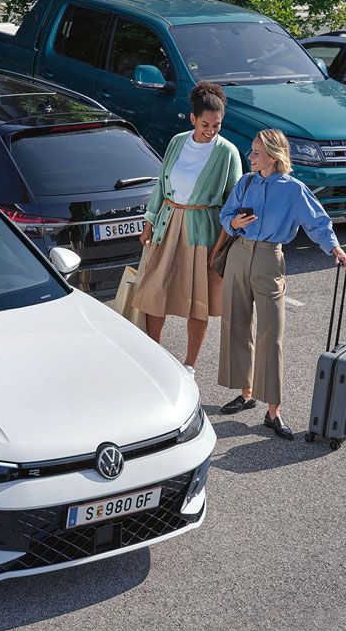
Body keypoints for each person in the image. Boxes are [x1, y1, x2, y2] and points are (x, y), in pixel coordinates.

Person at [218, 129, 346, 440]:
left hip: (268, 258)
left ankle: (273, 409)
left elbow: (318, 221)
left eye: (256, 153)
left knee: (271, 333)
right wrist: (234, 222)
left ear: (274, 157)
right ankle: (246, 392)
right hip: (239, 253)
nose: (250, 157)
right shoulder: (246, 181)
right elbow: (226, 214)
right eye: (251, 151)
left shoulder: (294, 189)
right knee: (235, 324)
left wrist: (335, 248)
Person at [133, 81, 242, 371]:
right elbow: (161, 185)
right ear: (192, 118)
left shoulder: (227, 152)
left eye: (217, 125)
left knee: (198, 301)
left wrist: (220, 245)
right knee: (154, 293)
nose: (211, 130)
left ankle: (189, 366)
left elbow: (232, 201)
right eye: (205, 123)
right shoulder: (177, 142)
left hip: (202, 231)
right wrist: (149, 221)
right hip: (167, 225)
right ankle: (153, 357)